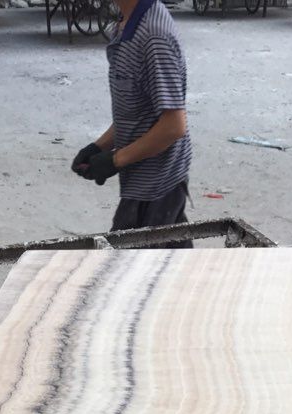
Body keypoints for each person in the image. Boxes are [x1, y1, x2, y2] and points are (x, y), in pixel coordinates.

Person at [71, 0, 192, 241]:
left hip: (157, 186)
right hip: (142, 183)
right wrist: (98, 147)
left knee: (125, 260)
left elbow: (173, 126)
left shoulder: (154, 37)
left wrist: (115, 160)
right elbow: (137, 111)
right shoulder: (126, 25)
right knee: (169, 260)